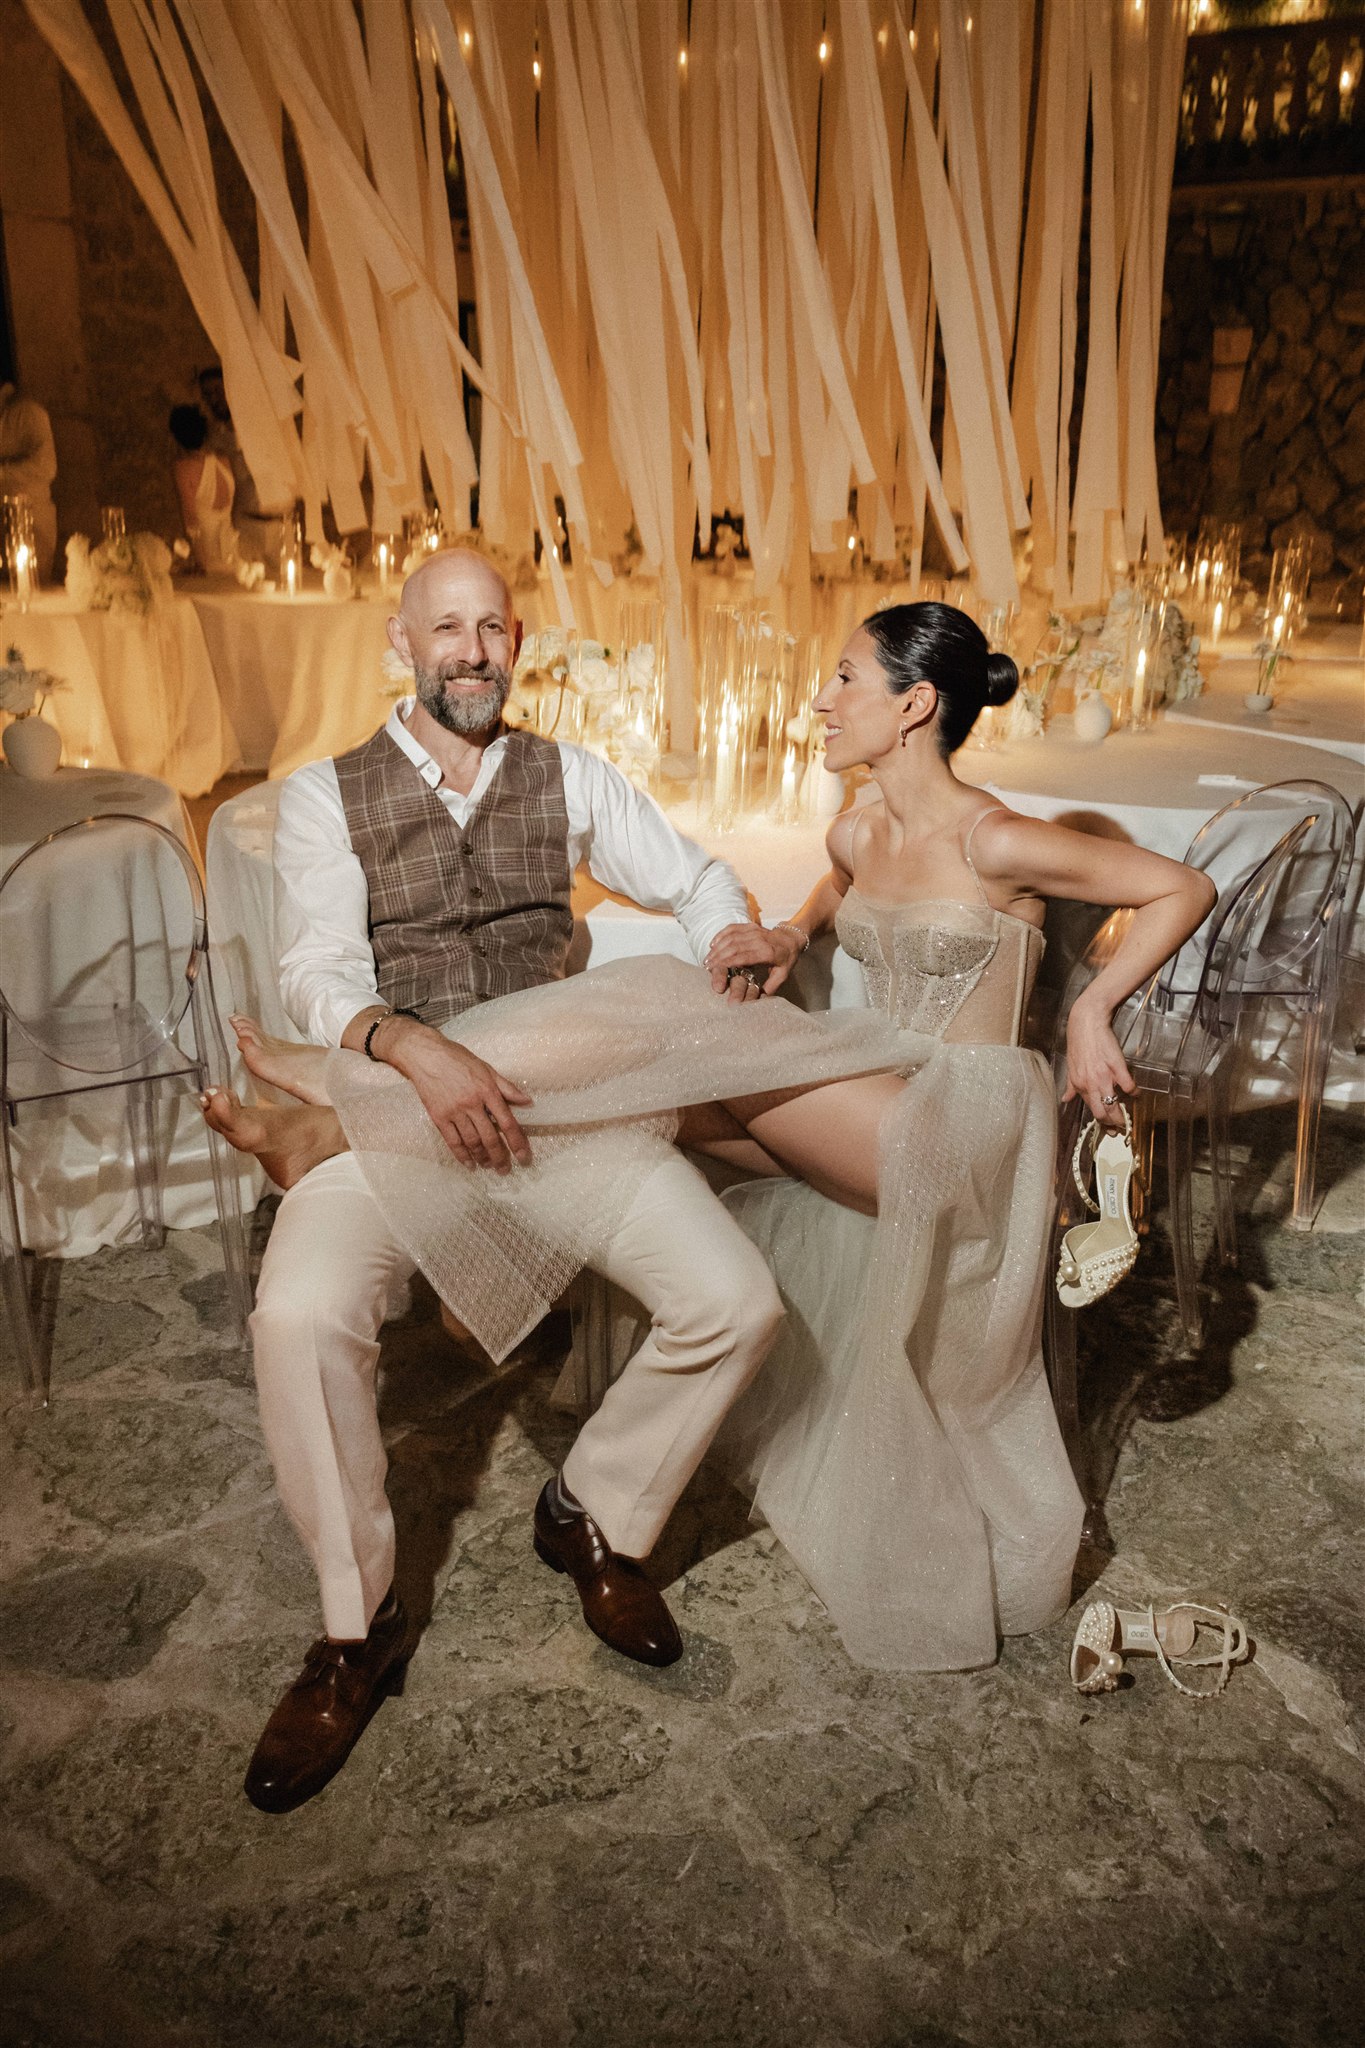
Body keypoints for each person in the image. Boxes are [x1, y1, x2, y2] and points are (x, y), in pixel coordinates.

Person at [209, 601, 1215, 1682]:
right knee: (638, 1091)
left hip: (961, 1127)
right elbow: (838, 895)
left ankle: (340, 1101)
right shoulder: (857, 828)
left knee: (655, 1012)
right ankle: (365, 1116)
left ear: (914, 704)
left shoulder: (999, 835)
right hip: (880, 1091)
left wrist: (1090, 1008)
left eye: (841, 680)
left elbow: (1180, 885)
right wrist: (788, 930)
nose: (818, 701)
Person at [208, 545, 798, 1817]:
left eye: (490, 630)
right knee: (298, 1315)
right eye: (445, 630)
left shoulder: (568, 774)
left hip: (556, 1117)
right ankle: (354, 1627)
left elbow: (693, 872)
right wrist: (410, 1044)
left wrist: (728, 930)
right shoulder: (326, 797)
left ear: (517, 640)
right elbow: (317, 970)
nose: (469, 652)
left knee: (735, 1300)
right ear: (399, 641)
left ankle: (594, 1508)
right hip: (392, 1113)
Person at [197, 363, 290, 568]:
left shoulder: (266, 424)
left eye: (217, 391)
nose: (213, 399)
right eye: (207, 394)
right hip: (246, 527)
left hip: (283, 526)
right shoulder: (214, 441)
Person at [0, 379, 58, 582]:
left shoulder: (27, 414)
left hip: (32, 522)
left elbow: (46, 467)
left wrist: (4, 470)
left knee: (32, 589)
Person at [169, 404, 239, 573]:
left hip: (205, 552)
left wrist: (196, 561)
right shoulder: (223, 461)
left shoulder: (183, 468)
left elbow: (190, 519)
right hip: (231, 547)